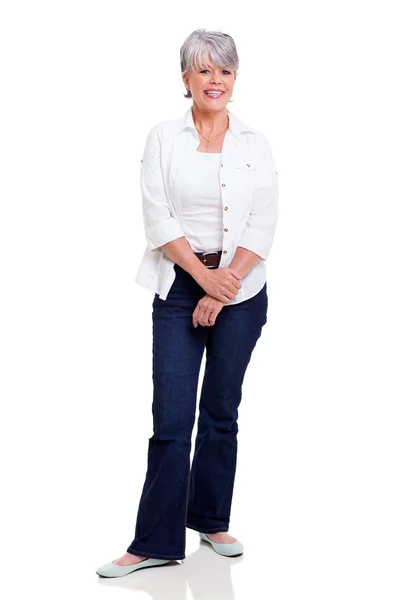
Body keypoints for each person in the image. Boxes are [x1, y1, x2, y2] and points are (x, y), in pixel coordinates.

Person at [96, 28, 279, 578]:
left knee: (221, 411)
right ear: (186, 79)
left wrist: (224, 288)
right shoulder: (161, 138)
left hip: (241, 289)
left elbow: (263, 223)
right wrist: (203, 281)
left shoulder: (255, 143)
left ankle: (211, 519)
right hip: (180, 285)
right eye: (204, 70)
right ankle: (153, 541)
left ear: (235, 78)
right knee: (171, 417)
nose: (215, 80)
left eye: (225, 70)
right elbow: (158, 219)